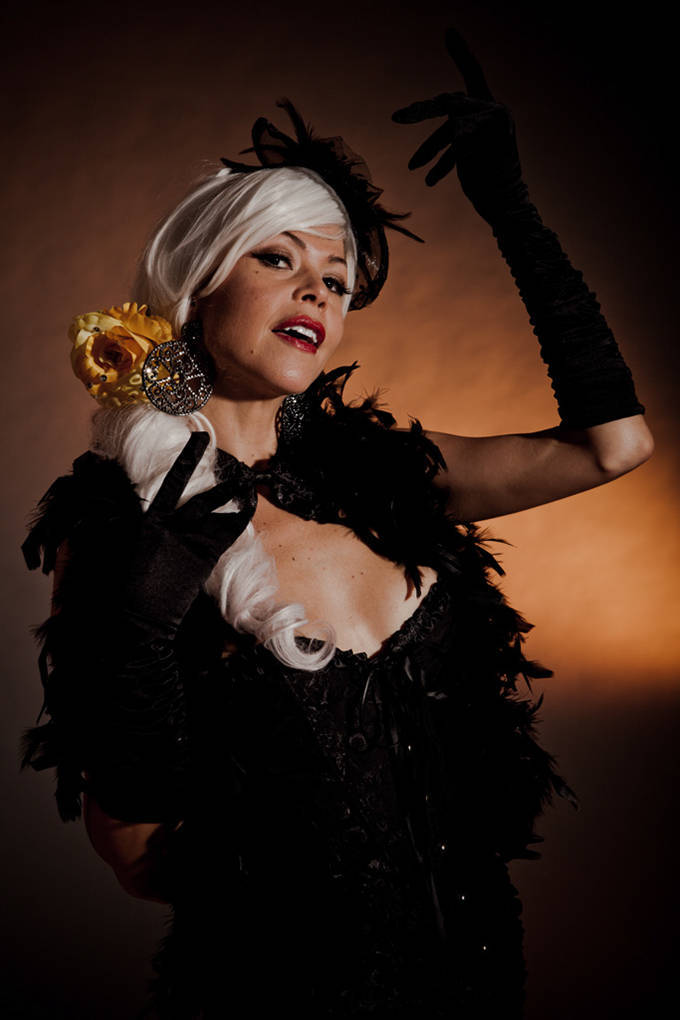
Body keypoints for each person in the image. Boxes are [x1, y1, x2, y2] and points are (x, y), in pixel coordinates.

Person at [20, 29, 652, 1020]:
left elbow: (612, 447)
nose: (317, 287)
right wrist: (136, 638)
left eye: (337, 276)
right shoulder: (125, 524)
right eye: (277, 257)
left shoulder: (381, 478)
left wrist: (514, 214)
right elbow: (140, 860)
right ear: (197, 287)